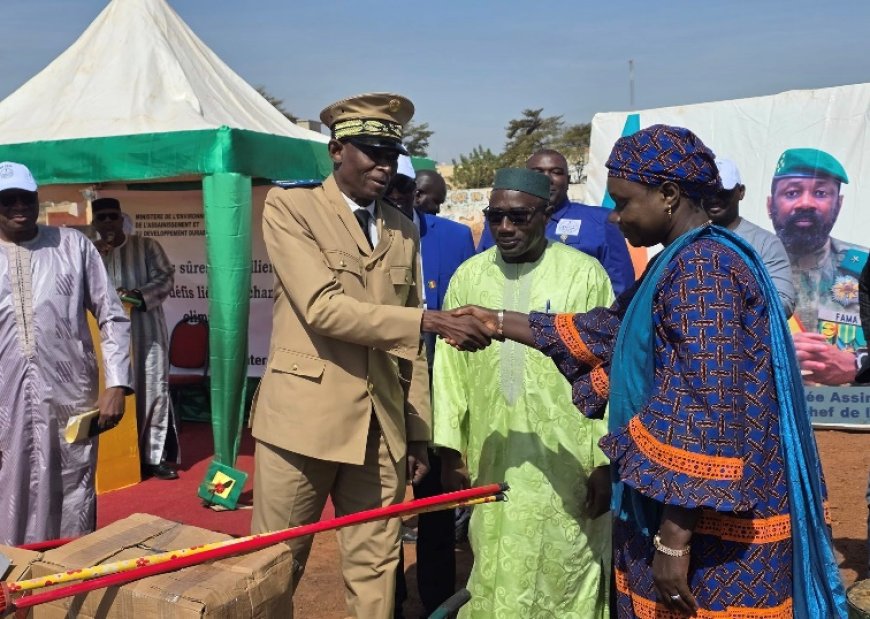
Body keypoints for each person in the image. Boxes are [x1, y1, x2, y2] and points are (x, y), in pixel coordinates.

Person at [454, 126, 847, 617]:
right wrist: (495, 320)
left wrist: (673, 542)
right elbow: (608, 331)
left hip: (712, 524)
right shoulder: (682, 260)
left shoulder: (703, 271)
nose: (614, 217)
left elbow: (703, 412)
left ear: (668, 195)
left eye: (623, 202)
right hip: (694, 506)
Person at [249, 92, 491, 619]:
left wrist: (418, 431)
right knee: (275, 564)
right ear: (337, 150)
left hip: (380, 427)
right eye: (372, 154)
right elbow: (323, 308)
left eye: (391, 156)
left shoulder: (402, 226)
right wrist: (428, 321)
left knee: (377, 565)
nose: (384, 167)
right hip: (303, 421)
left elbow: (411, 350)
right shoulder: (291, 209)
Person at [435, 167, 613, 618]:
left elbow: (606, 367)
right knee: (492, 561)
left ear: (545, 215)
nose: (505, 227)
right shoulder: (468, 277)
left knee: (568, 564)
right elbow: (449, 370)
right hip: (493, 451)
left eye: (518, 217)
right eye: (495, 217)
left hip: (567, 457)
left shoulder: (583, 274)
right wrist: (450, 449)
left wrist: (604, 460)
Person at [0, 161, 132, 545]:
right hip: (6, 403)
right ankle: (13, 576)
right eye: (8, 199)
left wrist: (117, 384)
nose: (19, 206)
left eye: (26, 197)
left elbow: (112, 315)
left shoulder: (73, 246)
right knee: (8, 488)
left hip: (70, 399)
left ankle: (70, 573)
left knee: (73, 489)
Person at [91, 197, 179, 481]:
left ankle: (153, 457)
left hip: (146, 331)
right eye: (102, 217)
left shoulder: (146, 246)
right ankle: (116, 460)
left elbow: (165, 277)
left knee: (152, 387)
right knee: (112, 391)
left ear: (121, 219)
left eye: (112, 216)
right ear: (94, 222)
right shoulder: (88, 252)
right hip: (104, 337)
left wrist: (136, 296)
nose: (108, 222)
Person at [767, 148, 869, 385]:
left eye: (821, 193)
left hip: (852, 408)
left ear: (839, 204)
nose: (806, 203)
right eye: (792, 193)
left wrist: (858, 365)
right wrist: (770, 353)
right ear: (770, 205)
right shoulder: (740, 269)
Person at [477, 149, 635, 296]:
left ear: (568, 180)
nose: (547, 179)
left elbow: (620, 287)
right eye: (537, 172)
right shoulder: (500, 223)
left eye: (556, 172)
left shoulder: (600, 221)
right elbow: (481, 273)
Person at [703, 158, 796, 317]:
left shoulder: (765, 243)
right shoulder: (691, 238)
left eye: (723, 192)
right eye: (708, 192)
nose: (714, 198)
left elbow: (784, 302)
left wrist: (727, 307)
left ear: (741, 192)